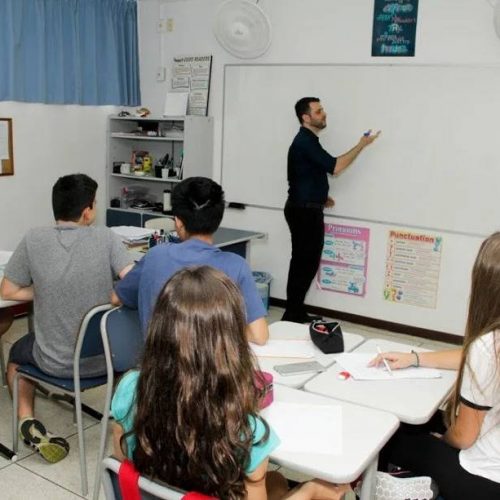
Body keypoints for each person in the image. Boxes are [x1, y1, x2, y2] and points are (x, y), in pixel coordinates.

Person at [111, 265, 350, 499]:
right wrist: (310, 491)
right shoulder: (245, 430)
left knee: (276, 481)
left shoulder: (129, 387)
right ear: (231, 339)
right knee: (311, 488)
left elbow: (126, 465)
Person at [0, 174, 134, 463]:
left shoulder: (34, 238)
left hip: (53, 361)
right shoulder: (105, 237)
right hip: (108, 361)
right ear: (87, 211)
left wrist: (44, 289)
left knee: (16, 354)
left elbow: (8, 290)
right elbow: (132, 282)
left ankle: (26, 420)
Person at [371, 232, 500, 499]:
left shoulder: (489, 346)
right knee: (425, 422)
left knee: (387, 437)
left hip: (484, 479)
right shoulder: (487, 349)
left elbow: (463, 437)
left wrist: (444, 442)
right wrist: (416, 358)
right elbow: (472, 358)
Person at [112, 176, 269, 345]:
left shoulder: (155, 256)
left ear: (178, 222)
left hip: (156, 368)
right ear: (218, 220)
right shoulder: (236, 265)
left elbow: (116, 298)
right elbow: (259, 335)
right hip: (211, 369)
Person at [283, 97, 380, 323]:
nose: (323, 114)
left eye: (322, 109)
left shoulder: (309, 141)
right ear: (305, 117)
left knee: (305, 262)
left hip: (307, 208)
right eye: (318, 111)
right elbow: (335, 167)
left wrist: (321, 197)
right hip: (303, 212)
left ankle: (295, 311)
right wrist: (361, 145)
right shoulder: (304, 142)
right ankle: (292, 314)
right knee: (303, 263)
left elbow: (304, 174)